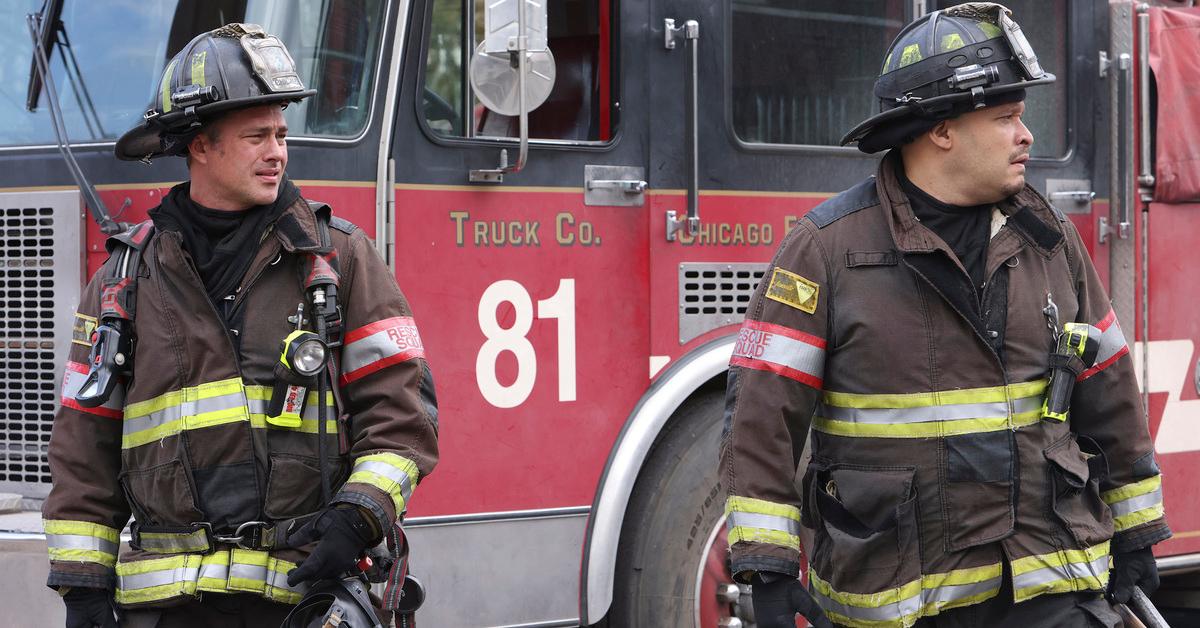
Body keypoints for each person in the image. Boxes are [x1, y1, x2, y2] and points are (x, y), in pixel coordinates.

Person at [720, 4, 1169, 627]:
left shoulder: (1048, 240)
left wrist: (1137, 531)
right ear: (941, 130)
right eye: (1006, 117)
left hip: (1049, 580)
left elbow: (1110, 388)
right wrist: (764, 567)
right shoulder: (826, 250)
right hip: (904, 594)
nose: (1026, 135)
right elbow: (761, 416)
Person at [42, 24, 439, 627]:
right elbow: (83, 445)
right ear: (200, 146)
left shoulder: (339, 260)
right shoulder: (125, 281)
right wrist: (83, 587)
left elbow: (404, 415)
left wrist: (359, 514)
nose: (277, 151)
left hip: (302, 598)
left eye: (281, 134)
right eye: (257, 136)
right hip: (169, 609)